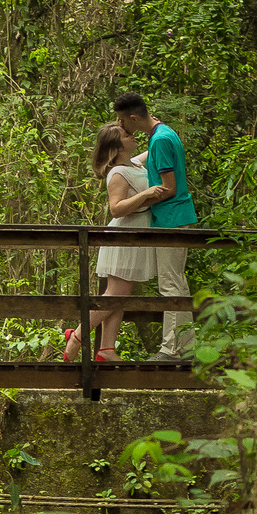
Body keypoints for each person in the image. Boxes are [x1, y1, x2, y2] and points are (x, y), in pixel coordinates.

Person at [62, 122, 165, 362]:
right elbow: (116, 208)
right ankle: (77, 336)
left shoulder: (134, 164)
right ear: (118, 147)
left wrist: (156, 126)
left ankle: (106, 348)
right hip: (124, 234)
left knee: (118, 294)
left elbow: (155, 147)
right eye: (127, 135)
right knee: (117, 293)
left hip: (136, 233)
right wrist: (146, 194)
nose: (133, 135)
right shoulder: (118, 173)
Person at [113, 91, 196, 362]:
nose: (121, 125)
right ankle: (187, 348)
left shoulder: (159, 140)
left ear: (133, 118)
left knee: (170, 286)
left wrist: (139, 203)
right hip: (176, 216)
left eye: (122, 121)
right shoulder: (163, 133)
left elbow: (169, 188)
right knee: (177, 284)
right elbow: (146, 163)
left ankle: (170, 350)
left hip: (170, 218)